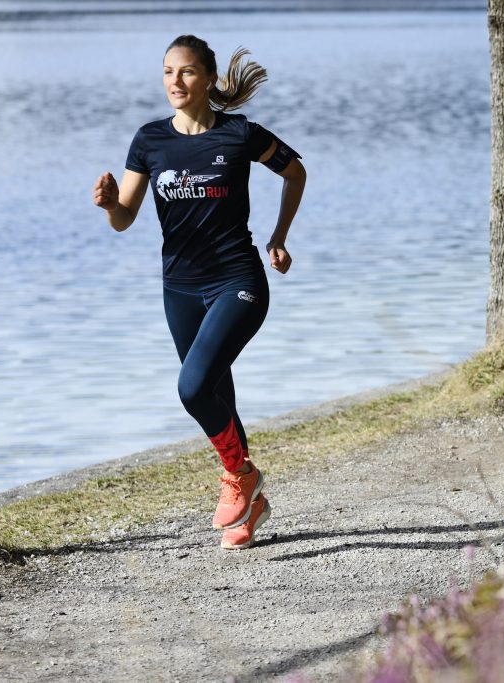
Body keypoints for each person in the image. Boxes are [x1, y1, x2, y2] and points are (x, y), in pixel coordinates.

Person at [92, 34, 306, 550]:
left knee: (191, 387)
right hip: (179, 289)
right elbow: (125, 218)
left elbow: (295, 172)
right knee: (215, 391)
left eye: (186, 72)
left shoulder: (240, 135)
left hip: (239, 281)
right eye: (167, 72)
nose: (175, 82)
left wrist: (279, 237)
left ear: (208, 78)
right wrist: (107, 206)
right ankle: (247, 511)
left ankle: (240, 475)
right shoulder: (149, 141)